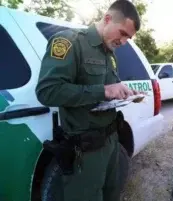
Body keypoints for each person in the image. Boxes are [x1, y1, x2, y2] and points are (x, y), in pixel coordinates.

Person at [35, 0, 141, 201]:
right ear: (108, 19)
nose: (124, 41)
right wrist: (102, 91)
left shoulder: (109, 53)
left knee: (111, 193)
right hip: (86, 150)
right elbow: (48, 91)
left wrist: (127, 93)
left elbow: (111, 89)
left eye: (129, 37)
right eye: (123, 33)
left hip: (111, 141)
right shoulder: (69, 42)